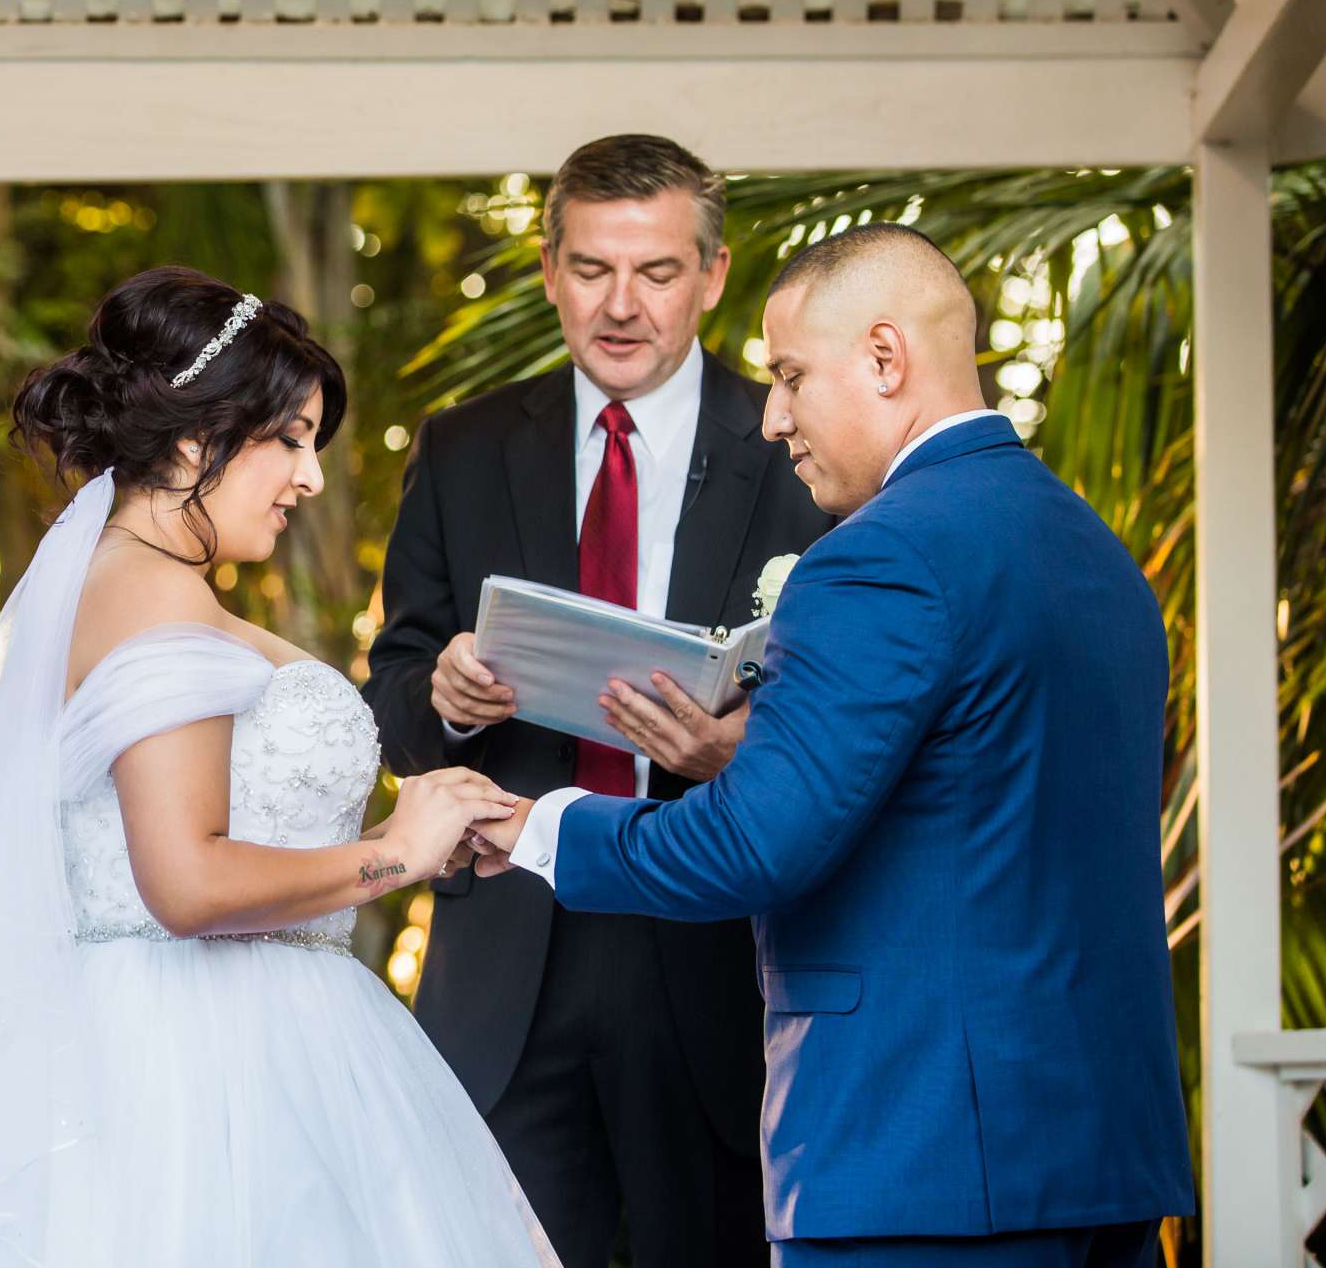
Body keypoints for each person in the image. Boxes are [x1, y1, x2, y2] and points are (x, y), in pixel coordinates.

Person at [0, 266, 559, 1266]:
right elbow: (184, 880)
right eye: (290, 439)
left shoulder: (139, 586)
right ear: (195, 440)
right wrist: (392, 853)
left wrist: (426, 833)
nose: (309, 478)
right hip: (198, 1066)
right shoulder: (156, 599)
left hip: (234, 1034)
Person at [471, 224, 1195, 1265]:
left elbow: (751, 848)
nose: (772, 419)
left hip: (925, 1161)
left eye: (790, 375)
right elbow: (981, 813)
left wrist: (538, 826)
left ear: (887, 359)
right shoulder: (1095, 553)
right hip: (1103, 1158)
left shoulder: (879, 557)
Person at [364, 134, 832, 1267]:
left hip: (714, 953)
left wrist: (738, 747)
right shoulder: (465, 446)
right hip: (506, 962)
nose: (622, 305)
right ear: (548, 268)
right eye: (591, 269)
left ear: (713, 277)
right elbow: (394, 693)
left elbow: (845, 710)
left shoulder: (798, 452)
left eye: (658, 272)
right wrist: (451, 697)